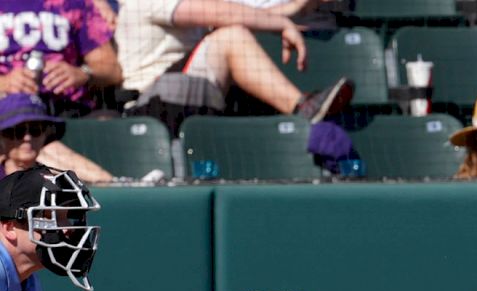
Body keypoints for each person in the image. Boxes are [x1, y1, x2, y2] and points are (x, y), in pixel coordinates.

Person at [115, 0, 355, 129]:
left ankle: (301, 124)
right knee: (231, 35)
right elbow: (223, 14)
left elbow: (242, 11)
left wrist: (288, 13)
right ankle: (303, 109)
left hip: (189, 92)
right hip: (151, 103)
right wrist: (280, 23)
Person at [0, 0, 123, 117]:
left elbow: (112, 71)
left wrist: (82, 73)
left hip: (68, 107)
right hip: (7, 109)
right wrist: (5, 83)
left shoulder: (76, 3)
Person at [0, 94, 113, 183]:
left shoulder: (53, 179)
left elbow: (105, 180)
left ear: (46, 133)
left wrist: (45, 157)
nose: (27, 138)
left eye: (36, 130)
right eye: (17, 131)